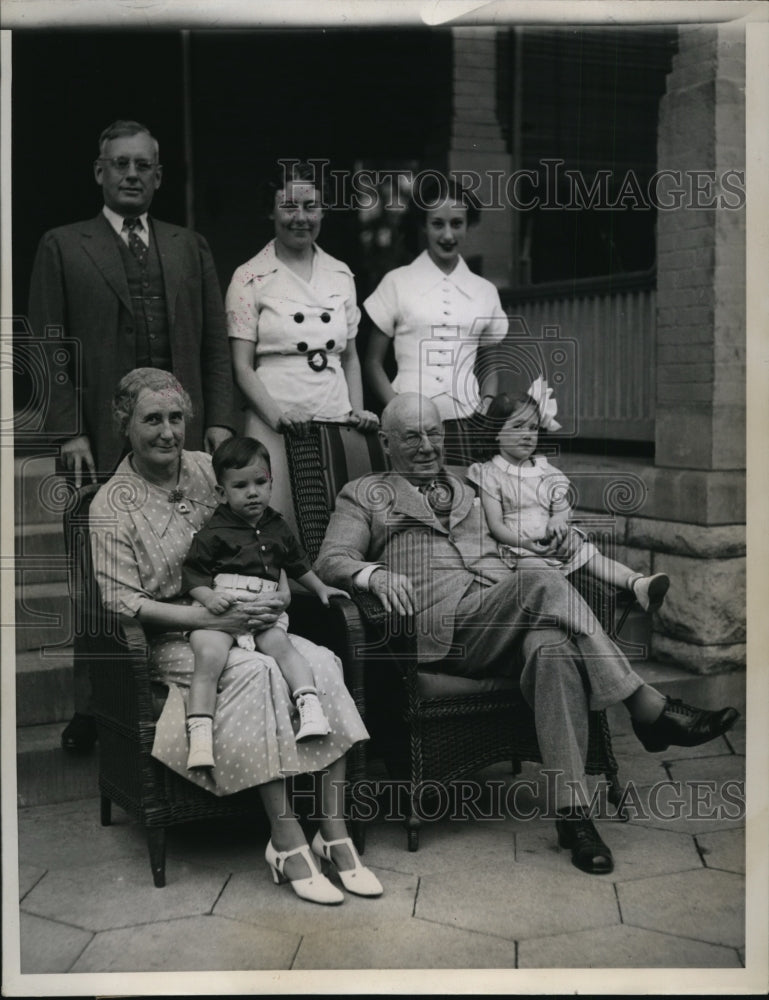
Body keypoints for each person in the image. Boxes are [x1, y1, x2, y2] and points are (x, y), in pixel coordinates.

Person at [314, 393, 739, 876]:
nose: (427, 445)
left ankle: (574, 817)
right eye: (412, 436)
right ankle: (645, 706)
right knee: (540, 582)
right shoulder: (364, 492)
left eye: (434, 432)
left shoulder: (471, 481)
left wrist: (557, 531)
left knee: (554, 649)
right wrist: (374, 575)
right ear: (387, 443)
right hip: (446, 632)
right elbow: (330, 560)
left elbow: (521, 527)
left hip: (509, 613)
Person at [89, 368, 382, 904]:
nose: (167, 433)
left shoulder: (211, 469)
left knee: (322, 664)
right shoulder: (111, 505)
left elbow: (272, 537)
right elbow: (123, 602)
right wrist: (207, 620)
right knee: (258, 672)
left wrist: (280, 593)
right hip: (179, 637)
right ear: (123, 425)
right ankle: (285, 838)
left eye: (176, 418)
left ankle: (333, 831)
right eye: (151, 419)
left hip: (255, 619)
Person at [28, 119, 235, 753]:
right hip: (93, 436)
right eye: (119, 164)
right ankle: (99, 703)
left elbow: (212, 344)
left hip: (179, 434)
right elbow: (46, 344)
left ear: (158, 175)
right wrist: (67, 430)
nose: (131, 174)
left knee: (192, 552)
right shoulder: (63, 245)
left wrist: (219, 420)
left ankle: (187, 676)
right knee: (96, 574)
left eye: (143, 165)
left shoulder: (187, 245)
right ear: (99, 172)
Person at [227, 160, 379, 532]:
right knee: (282, 525)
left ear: (323, 210)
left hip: (334, 415)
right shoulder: (249, 276)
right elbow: (242, 367)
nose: (300, 217)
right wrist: (278, 418)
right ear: (271, 210)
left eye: (310, 206)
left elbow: (351, 357)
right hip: (276, 421)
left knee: (339, 525)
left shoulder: (341, 274)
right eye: (289, 206)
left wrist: (355, 412)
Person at [181, 436, 350, 769]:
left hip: (264, 607)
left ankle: (309, 704)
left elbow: (297, 564)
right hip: (223, 602)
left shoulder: (277, 526)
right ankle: (200, 733)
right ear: (221, 492)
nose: (253, 492)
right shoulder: (213, 531)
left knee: (283, 647)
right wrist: (209, 598)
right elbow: (193, 576)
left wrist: (320, 589)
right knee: (209, 654)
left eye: (260, 483)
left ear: (272, 482)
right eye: (240, 486)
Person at [468, 379, 670, 613]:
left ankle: (637, 583)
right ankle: (561, 609)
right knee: (534, 571)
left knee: (592, 557)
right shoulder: (490, 474)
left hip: (556, 540)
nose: (527, 435)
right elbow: (496, 524)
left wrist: (557, 520)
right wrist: (526, 545)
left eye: (533, 428)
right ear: (496, 432)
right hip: (520, 547)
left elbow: (562, 507)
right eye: (518, 427)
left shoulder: (546, 471)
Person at [363, 175, 509, 422]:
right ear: (424, 225)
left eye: (457, 223)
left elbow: (489, 368)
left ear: (468, 225)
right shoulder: (397, 282)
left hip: (468, 421)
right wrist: (399, 409)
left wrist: (486, 408)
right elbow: (372, 363)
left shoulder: (485, 291)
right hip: (408, 421)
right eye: (438, 224)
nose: (448, 235)